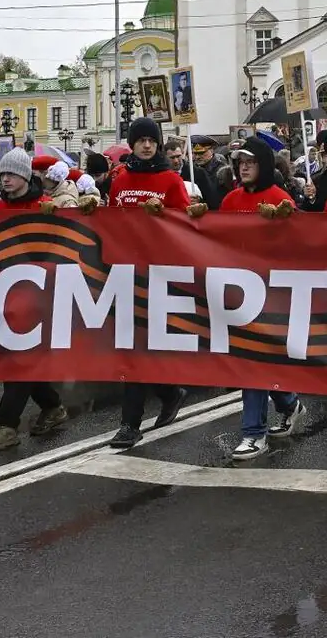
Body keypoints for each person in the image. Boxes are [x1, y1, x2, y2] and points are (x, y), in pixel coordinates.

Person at [0, 149, 72, 452]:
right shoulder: (0, 206)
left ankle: (7, 424)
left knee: (21, 358)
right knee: (20, 357)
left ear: (26, 176)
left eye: (12, 174)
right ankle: (52, 406)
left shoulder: (44, 207)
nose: (5, 179)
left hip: (38, 294)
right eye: (2, 174)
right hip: (7, 291)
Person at [102, 118, 193, 449]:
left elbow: (186, 224)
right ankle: (168, 393)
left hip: (158, 273)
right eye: (140, 140)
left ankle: (130, 423)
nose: (146, 145)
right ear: (132, 144)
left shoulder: (170, 179)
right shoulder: (121, 180)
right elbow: (112, 222)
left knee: (139, 347)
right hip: (127, 272)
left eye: (151, 141)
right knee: (133, 346)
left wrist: (164, 217)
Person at [218, 136, 306, 460]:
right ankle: (289, 403)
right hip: (239, 290)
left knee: (253, 361)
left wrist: (284, 221)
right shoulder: (230, 200)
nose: (244, 168)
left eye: (250, 162)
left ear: (264, 165)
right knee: (254, 359)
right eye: (240, 163)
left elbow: (299, 243)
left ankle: (254, 433)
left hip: (271, 292)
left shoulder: (280, 198)